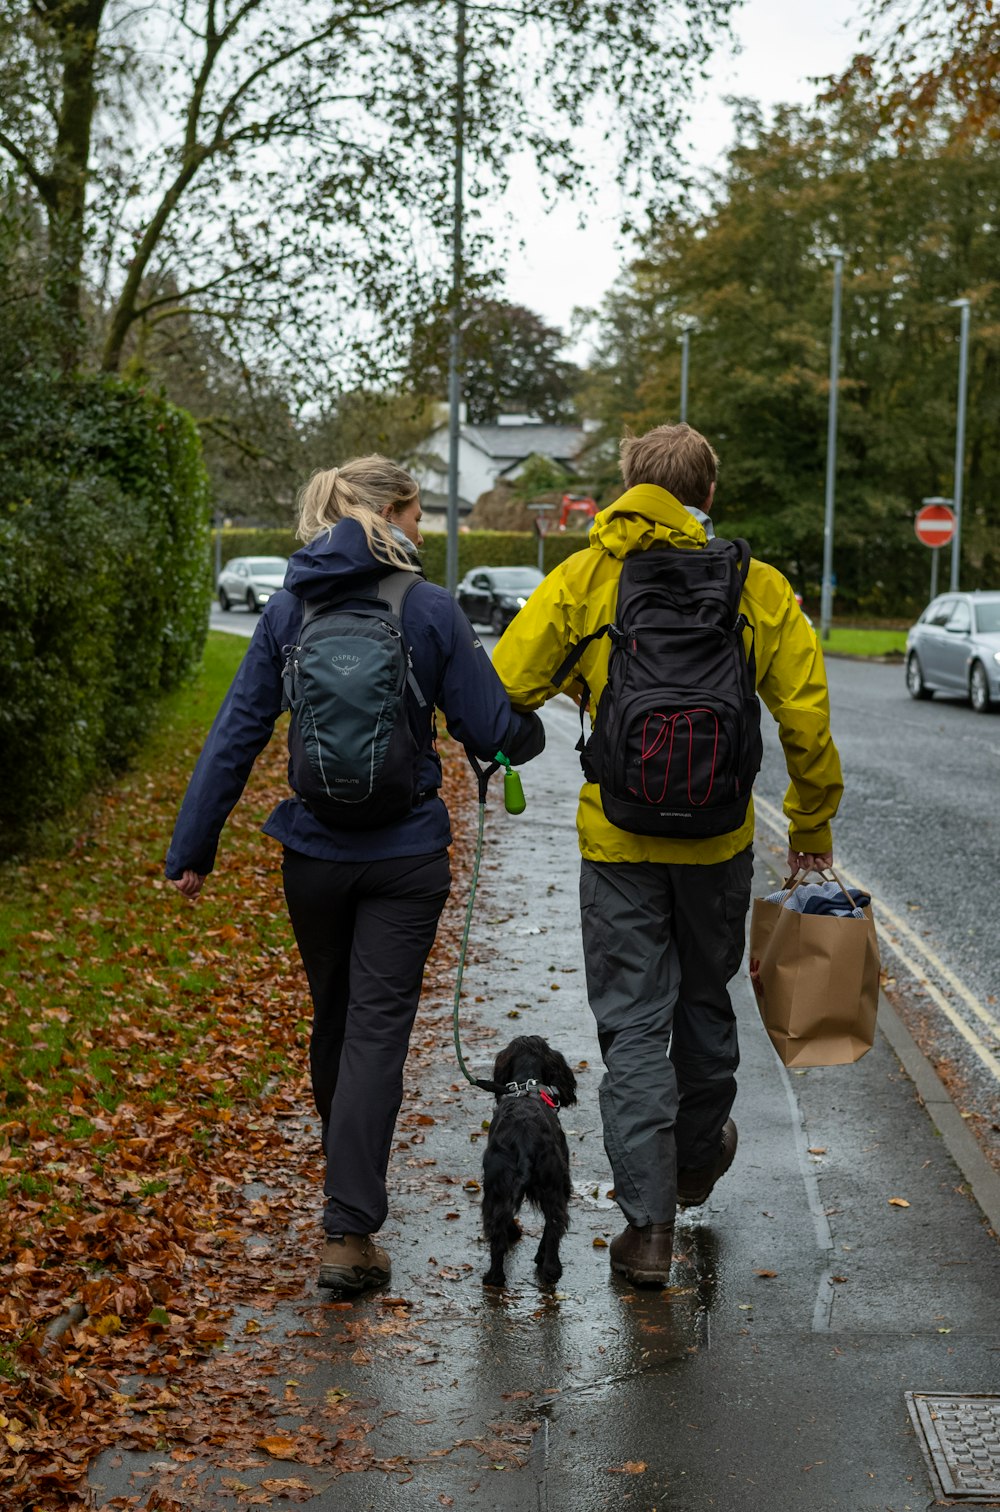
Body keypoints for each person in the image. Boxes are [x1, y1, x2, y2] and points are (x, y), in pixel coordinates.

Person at [166, 456, 543, 1295]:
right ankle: (348, 1229)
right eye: (417, 516)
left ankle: (345, 1199)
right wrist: (528, 735)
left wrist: (193, 847)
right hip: (405, 859)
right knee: (376, 1034)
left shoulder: (290, 609)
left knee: (334, 1024)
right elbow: (491, 730)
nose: (422, 531)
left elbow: (237, 731)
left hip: (313, 856)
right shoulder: (431, 609)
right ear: (393, 515)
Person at [492, 423, 843, 1286]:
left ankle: (647, 1231)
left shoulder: (587, 577)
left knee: (633, 1027)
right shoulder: (754, 586)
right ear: (709, 496)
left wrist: (560, 704)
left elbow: (505, 684)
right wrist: (810, 828)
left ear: (626, 485)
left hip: (618, 842)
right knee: (703, 1006)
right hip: (719, 841)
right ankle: (693, 1162)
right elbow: (806, 719)